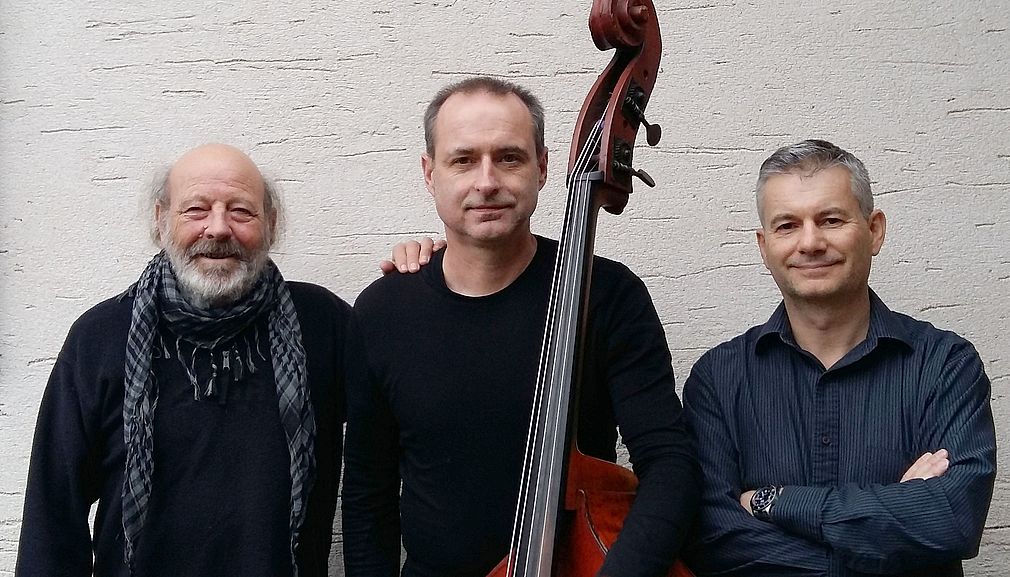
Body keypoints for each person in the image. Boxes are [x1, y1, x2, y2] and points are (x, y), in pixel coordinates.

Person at [341, 76, 699, 577]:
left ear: (543, 168)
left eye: (509, 158)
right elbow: (367, 493)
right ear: (430, 174)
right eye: (463, 160)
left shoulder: (608, 295)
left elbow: (669, 464)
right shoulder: (382, 311)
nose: (487, 182)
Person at [15, 144, 350, 577]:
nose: (219, 228)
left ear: (271, 224)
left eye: (241, 211)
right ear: (161, 220)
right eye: (195, 209)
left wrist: (421, 277)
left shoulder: (322, 325)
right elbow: (52, 518)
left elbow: (407, 423)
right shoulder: (99, 338)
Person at [680, 140, 996, 577]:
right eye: (787, 225)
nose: (810, 242)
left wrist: (776, 502)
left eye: (831, 220)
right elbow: (715, 541)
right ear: (764, 246)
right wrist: (892, 525)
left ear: (874, 231)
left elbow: (952, 521)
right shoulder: (718, 380)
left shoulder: (945, 366)